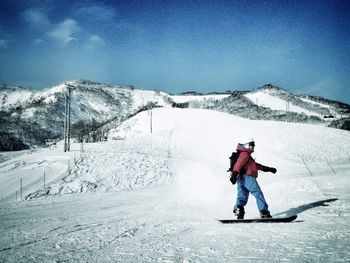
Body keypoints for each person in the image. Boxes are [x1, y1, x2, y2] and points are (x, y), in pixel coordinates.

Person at [230, 138, 277, 219]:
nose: (253, 146)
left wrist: (269, 169)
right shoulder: (245, 154)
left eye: (253, 144)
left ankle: (238, 210)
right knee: (258, 193)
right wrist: (234, 174)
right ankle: (264, 212)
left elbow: (256, 165)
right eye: (252, 144)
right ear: (246, 145)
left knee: (242, 197)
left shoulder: (244, 154)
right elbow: (239, 164)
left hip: (240, 178)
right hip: (247, 178)